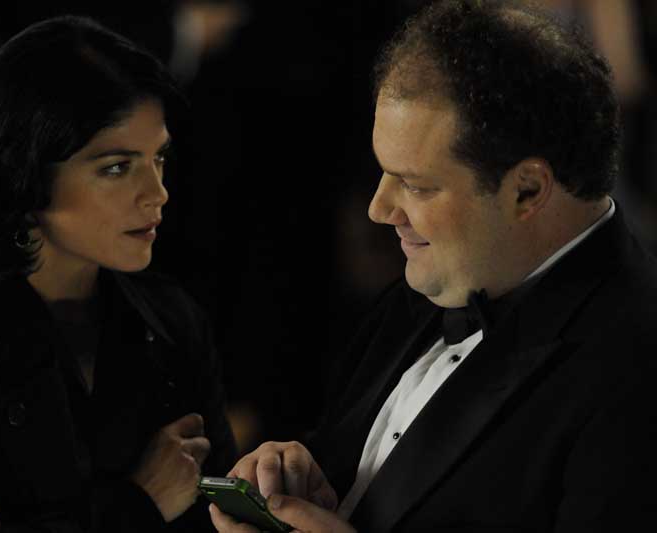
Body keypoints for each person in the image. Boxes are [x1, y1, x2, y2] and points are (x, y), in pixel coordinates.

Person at [211, 1, 657, 532]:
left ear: (527, 189)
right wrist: (296, 475)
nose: (379, 209)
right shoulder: (432, 282)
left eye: (416, 185)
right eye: (384, 174)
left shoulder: (636, 367)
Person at [0, 15, 236, 532]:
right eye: (117, 167)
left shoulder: (173, 320)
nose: (158, 193)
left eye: (159, 159)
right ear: (25, 171)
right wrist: (141, 503)